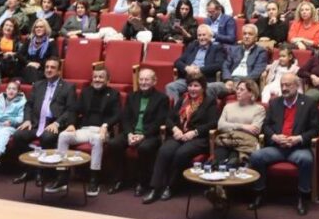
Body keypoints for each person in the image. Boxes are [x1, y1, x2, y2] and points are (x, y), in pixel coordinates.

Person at [247, 72, 319, 215]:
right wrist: (274, 137)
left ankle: (302, 197)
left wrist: (298, 138)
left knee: (306, 159)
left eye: (288, 85)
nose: (284, 88)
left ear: (297, 85)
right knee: (256, 157)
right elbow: (265, 126)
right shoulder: (274, 103)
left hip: (297, 148)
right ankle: (259, 194)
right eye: (282, 85)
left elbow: (315, 130)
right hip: (277, 147)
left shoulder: (309, 103)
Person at [142, 71, 218, 204]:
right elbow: (168, 118)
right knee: (164, 151)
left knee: (181, 154)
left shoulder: (209, 101)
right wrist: (175, 128)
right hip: (179, 135)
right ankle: (155, 188)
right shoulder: (183, 99)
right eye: (190, 86)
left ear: (203, 87)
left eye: (196, 86)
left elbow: (213, 123)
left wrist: (194, 132)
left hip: (198, 139)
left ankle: (171, 187)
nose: (192, 89)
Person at [55, 65, 121, 196]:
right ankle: (62, 176)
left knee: (97, 139)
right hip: (84, 129)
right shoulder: (86, 92)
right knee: (63, 135)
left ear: (108, 79)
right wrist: (72, 124)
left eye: (101, 77)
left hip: (102, 131)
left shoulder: (114, 94)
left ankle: (94, 179)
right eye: (95, 77)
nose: (97, 79)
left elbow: (117, 114)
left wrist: (105, 125)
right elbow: (74, 109)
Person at [10, 57, 78, 184]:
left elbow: (70, 110)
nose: (49, 70)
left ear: (59, 71)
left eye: (52, 67)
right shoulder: (38, 85)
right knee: (18, 135)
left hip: (53, 124)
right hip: (36, 123)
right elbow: (29, 105)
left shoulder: (68, 87)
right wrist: (27, 120)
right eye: (47, 67)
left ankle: (42, 173)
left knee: (47, 137)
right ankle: (28, 169)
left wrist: (57, 123)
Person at [108, 67, 169, 196]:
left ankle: (143, 183)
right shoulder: (132, 96)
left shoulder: (162, 98)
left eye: (147, 79)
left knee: (144, 148)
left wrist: (143, 135)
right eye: (141, 79)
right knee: (114, 143)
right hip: (131, 133)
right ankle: (119, 180)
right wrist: (130, 133)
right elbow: (125, 117)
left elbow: (160, 121)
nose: (143, 82)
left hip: (150, 134)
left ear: (154, 81)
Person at [208, 79, 266, 210]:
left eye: (241, 89)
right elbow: (220, 125)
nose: (237, 92)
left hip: (244, 144)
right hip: (225, 141)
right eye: (237, 89)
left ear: (251, 92)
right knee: (218, 161)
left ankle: (222, 194)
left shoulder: (259, 108)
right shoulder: (228, 106)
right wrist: (243, 126)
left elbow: (256, 128)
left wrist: (232, 127)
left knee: (232, 162)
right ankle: (220, 193)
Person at [168, 24, 225, 99]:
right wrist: (187, 68)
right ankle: (176, 110)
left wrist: (199, 70)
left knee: (208, 89)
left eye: (204, 35)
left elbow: (219, 65)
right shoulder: (193, 46)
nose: (201, 38)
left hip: (204, 80)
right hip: (188, 79)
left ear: (210, 36)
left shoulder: (217, 48)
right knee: (170, 87)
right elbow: (177, 62)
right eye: (199, 35)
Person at [219, 23, 269, 95]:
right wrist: (228, 79)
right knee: (210, 88)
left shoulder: (260, 52)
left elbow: (257, 71)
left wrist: (241, 84)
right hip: (231, 80)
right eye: (244, 34)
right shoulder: (234, 49)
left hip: (247, 84)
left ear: (256, 38)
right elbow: (225, 65)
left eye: (250, 34)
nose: (246, 36)